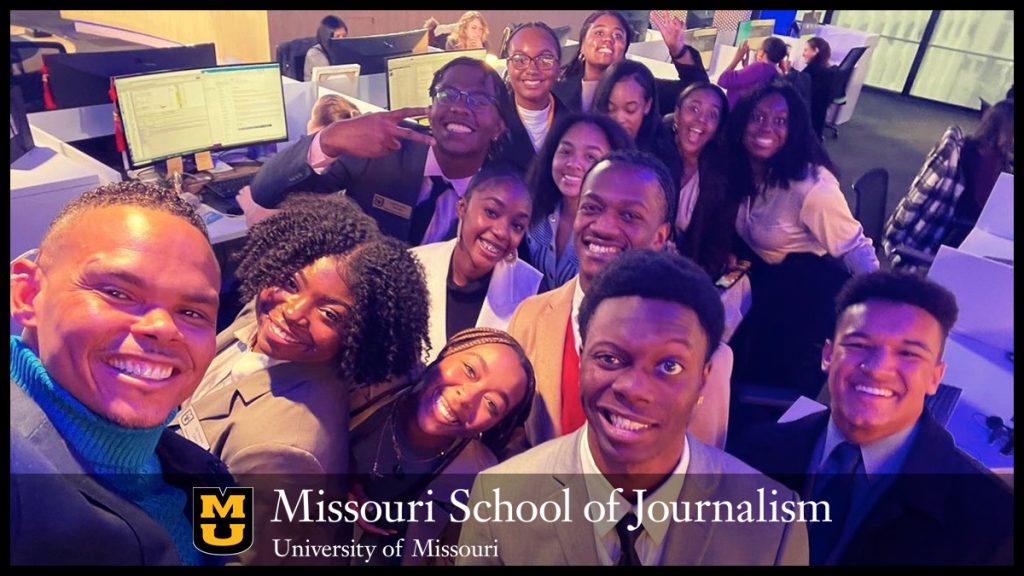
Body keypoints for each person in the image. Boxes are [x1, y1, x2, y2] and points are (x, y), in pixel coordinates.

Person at [457, 250, 808, 565]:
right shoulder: (500, 498)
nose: (634, 389)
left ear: (703, 380)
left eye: (669, 365)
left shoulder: (774, 523)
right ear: (582, 363)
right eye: (610, 358)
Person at [167, 195, 430, 563]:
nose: (292, 312)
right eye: (292, 282)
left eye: (330, 314)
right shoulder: (265, 318)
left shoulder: (281, 450)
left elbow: (237, 556)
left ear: (358, 335)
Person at [10, 181, 230, 565]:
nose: (163, 327)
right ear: (28, 296)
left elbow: (230, 553)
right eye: (117, 292)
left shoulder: (202, 471)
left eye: (192, 313)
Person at [731, 271, 1013, 565]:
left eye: (908, 353)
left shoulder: (990, 519)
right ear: (828, 355)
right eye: (859, 345)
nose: (878, 368)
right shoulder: (752, 454)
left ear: (935, 376)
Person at [508, 149, 734, 454]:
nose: (603, 226)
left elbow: (697, 477)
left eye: (629, 216)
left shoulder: (704, 351)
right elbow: (511, 433)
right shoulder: (530, 317)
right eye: (591, 208)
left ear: (659, 237)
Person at [250, 57, 511, 246]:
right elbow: (266, 193)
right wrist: (328, 139)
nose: (459, 108)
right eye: (448, 94)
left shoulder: (501, 193)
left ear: (499, 126)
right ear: (430, 110)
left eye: (478, 100)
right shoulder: (382, 148)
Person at [726, 82, 878, 399]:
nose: (766, 127)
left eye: (780, 121)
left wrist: (879, 309)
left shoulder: (811, 187)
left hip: (800, 301)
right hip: (758, 285)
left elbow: (854, 246)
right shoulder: (739, 167)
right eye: (757, 116)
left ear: (794, 131)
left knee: (766, 394)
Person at [348, 327, 535, 565]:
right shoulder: (369, 382)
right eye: (470, 370)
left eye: (491, 404)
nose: (467, 398)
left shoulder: (478, 478)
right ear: (449, 351)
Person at [412, 166, 541, 364]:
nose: (502, 232)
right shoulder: (413, 266)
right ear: (462, 208)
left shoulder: (533, 293)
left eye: (517, 226)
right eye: (491, 212)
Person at [882, 98, 1014, 269]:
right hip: (957, 231)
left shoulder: (971, 145)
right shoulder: (988, 160)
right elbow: (988, 205)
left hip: (948, 223)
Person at [523, 113, 633, 292]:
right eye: (566, 152)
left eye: (590, 157)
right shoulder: (532, 212)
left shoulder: (617, 235)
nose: (574, 164)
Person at [554, 10, 708, 115]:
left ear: (624, 51)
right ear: (582, 45)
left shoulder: (641, 90)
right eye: (599, 33)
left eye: (618, 35)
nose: (608, 39)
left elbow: (699, 91)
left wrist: (678, 51)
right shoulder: (557, 89)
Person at [499, 21, 571, 174]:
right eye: (520, 59)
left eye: (545, 60)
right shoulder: (491, 121)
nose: (532, 69)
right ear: (508, 65)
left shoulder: (572, 126)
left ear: (559, 67)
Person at [591, 59, 665, 162]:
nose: (620, 119)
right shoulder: (590, 149)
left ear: (647, 106)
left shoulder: (662, 156)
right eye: (611, 109)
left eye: (630, 110)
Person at [717, 36, 788, 109]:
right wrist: (747, 68)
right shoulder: (777, 71)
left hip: (736, 114)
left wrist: (737, 58)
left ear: (763, 53)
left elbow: (723, 80)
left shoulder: (760, 68)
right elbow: (752, 85)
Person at [794, 37, 835, 140]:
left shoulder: (810, 72)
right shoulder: (826, 70)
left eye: (806, 50)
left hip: (806, 124)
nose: (803, 54)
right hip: (816, 125)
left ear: (815, 51)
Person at [304, 15, 348, 81]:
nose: (341, 40)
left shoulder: (344, 51)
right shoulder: (315, 54)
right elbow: (329, 80)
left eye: (344, 36)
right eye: (337, 37)